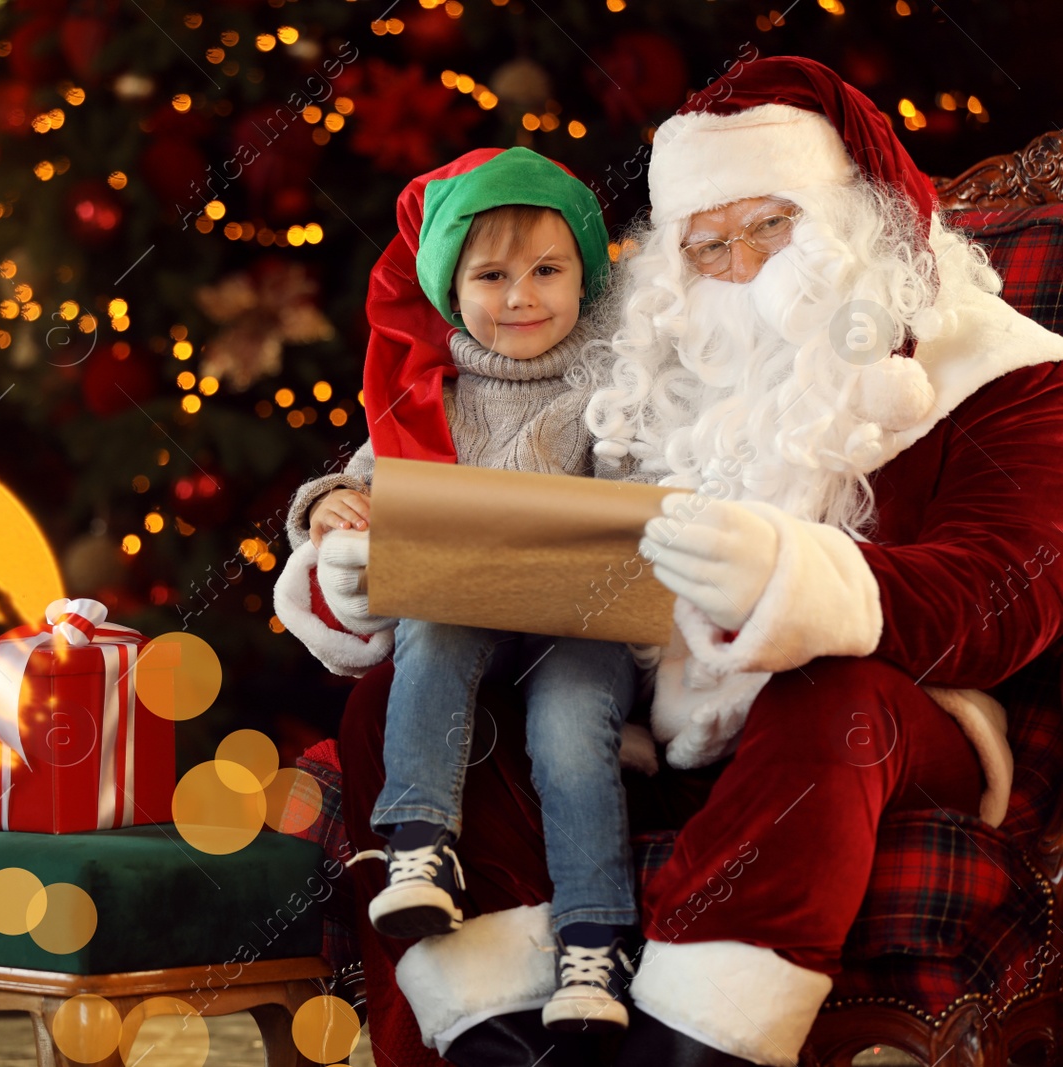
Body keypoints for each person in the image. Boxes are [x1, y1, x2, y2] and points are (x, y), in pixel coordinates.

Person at [277, 56, 1063, 1067]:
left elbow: (1012, 590)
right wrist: (364, 575)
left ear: (846, 218)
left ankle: (699, 1037)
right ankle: (496, 1031)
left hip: (891, 721)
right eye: (707, 245)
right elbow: (514, 530)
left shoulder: (997, 368)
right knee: (405, 688)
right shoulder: (641, 375)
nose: (741, 265)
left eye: (769, 226)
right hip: (634, 709)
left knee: (829, 698)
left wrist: (789, 579)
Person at [279, 146, 660, 1039]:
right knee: (434, 625)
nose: (521, 296)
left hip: (579, 624)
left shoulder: (608, 383)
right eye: (491, 275)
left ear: (586, 275)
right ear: (452, 288)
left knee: (570, 725)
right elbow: (374, 481)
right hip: (469, 613)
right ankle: (418, 847)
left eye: (547, 270)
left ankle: (594, 943)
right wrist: (331, 504)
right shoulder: (432, 394)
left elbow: (637, 501)